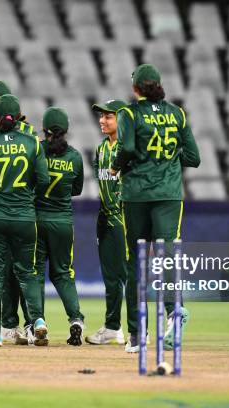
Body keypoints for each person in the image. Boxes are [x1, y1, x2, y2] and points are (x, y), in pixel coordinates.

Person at [110, 63, 200, 353]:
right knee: (167, 258)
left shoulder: (128, 113)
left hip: (136, 193)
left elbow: (125, 148)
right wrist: (167, 162)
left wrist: (116, 167)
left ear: (136, 87)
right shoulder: (177, 114)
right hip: (169, 194)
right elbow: (194, 157)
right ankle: (175, 314)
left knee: (136, 261)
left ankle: (137, 336)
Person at [0, 94, 50, 347]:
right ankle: (36, 320)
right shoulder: (33, 143)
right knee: (28, 272)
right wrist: (25, 195)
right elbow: (44, 180)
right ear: (18, 117)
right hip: (24, 217)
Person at [32, 107, 85, 346]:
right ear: (66, 130)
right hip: (63, 221)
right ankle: (75, 319)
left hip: (36, 219)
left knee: (34, 273)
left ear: (44, 129)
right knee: (64, 274)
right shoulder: (74, 156)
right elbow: (77, 189)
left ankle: (38, 322)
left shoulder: (37, 151)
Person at [85, 99, 129, 346]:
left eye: (108, 116)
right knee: (110, 277)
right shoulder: (101, 149)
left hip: (125, 220)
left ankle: (137, 327)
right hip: (105, 219)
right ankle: (113, 327)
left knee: (128, 275)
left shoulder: (129, 148)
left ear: (121, 119)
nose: (102, 120)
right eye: (101, 116)